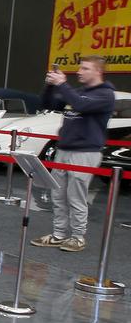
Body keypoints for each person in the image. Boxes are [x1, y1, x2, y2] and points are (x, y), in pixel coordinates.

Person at [31, 55, 115, 252]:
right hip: (64, 150)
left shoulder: (105, 94)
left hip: (85, 152)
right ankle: (59, 234)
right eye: (80, 68)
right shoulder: (76, 92)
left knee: (75, 196)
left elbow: (82, 105)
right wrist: (51, 85)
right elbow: (48, 105)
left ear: (98, 72)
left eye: (85, 68)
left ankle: (78, 237)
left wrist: (62, 84)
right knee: (58, 195)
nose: (79, 71)